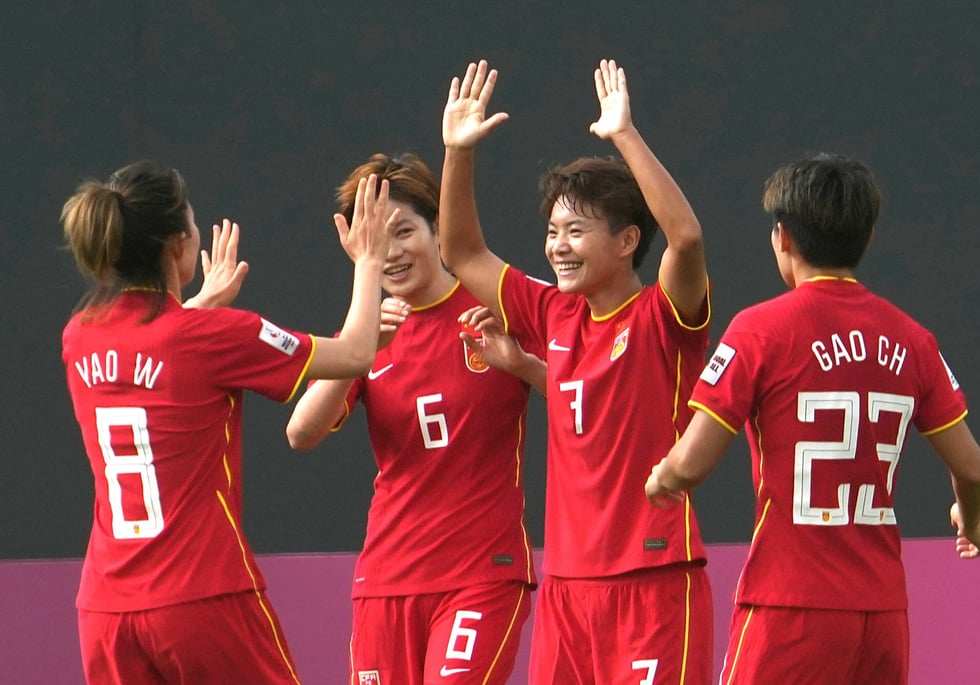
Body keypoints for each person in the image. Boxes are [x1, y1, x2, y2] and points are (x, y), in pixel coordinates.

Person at [645, 154, 980, 685]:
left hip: (790, 605)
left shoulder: (760, 330)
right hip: (883, 614)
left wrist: (661, 478)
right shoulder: (914, 339)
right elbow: (972, 469)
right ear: (868, 237)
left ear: (782, 237)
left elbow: (689, 466)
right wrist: (970, 521)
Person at [61, 159, 393, 684]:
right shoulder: (214, 335)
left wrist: (192, 306)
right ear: (178, 245)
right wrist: (369, 261)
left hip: (105, 610)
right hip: (201, 596)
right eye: (192, 221)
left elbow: (153, 358)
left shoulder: (80, 334)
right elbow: (355, 353)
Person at [439, 59, 714, 684]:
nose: (557, 246)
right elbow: (461, 252)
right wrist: (457, 152)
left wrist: (624, 134)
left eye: (576, 231)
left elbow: (687, 240)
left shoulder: (664, 316)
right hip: (566, 584)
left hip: (654, 575)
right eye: (552, 231)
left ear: (626, 241)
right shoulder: (554, 313)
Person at [285, 153, 546, 684]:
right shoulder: (366, 329)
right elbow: (301, 433)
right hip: (386, 579)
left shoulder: (495, 308)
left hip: (481, 573)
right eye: (378, 242)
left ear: (437, 228)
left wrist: (521, 363)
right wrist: (357, 349)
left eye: (404, 231)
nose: (393, 253)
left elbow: (583, 393)